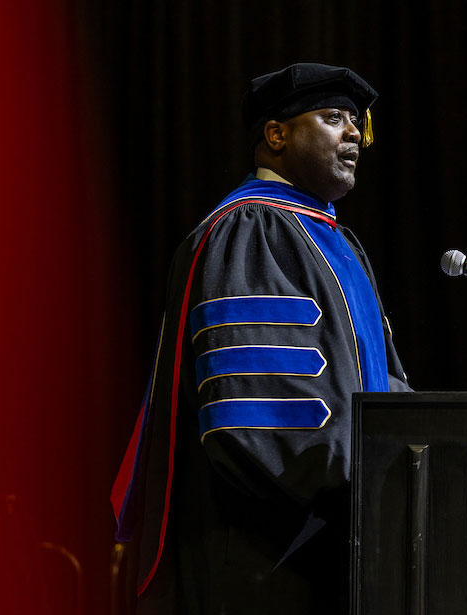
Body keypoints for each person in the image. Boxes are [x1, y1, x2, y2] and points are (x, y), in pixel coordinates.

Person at [110, 63, 410, 615]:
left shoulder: (335, 241)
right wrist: (369, 476)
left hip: (337, 534)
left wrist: (418, 453)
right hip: (265, 549)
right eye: (332, 118)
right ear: (276, 135)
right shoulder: (252, 229)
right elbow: (264, 410)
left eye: (355, 122)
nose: (351, 133)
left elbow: (381, 383)